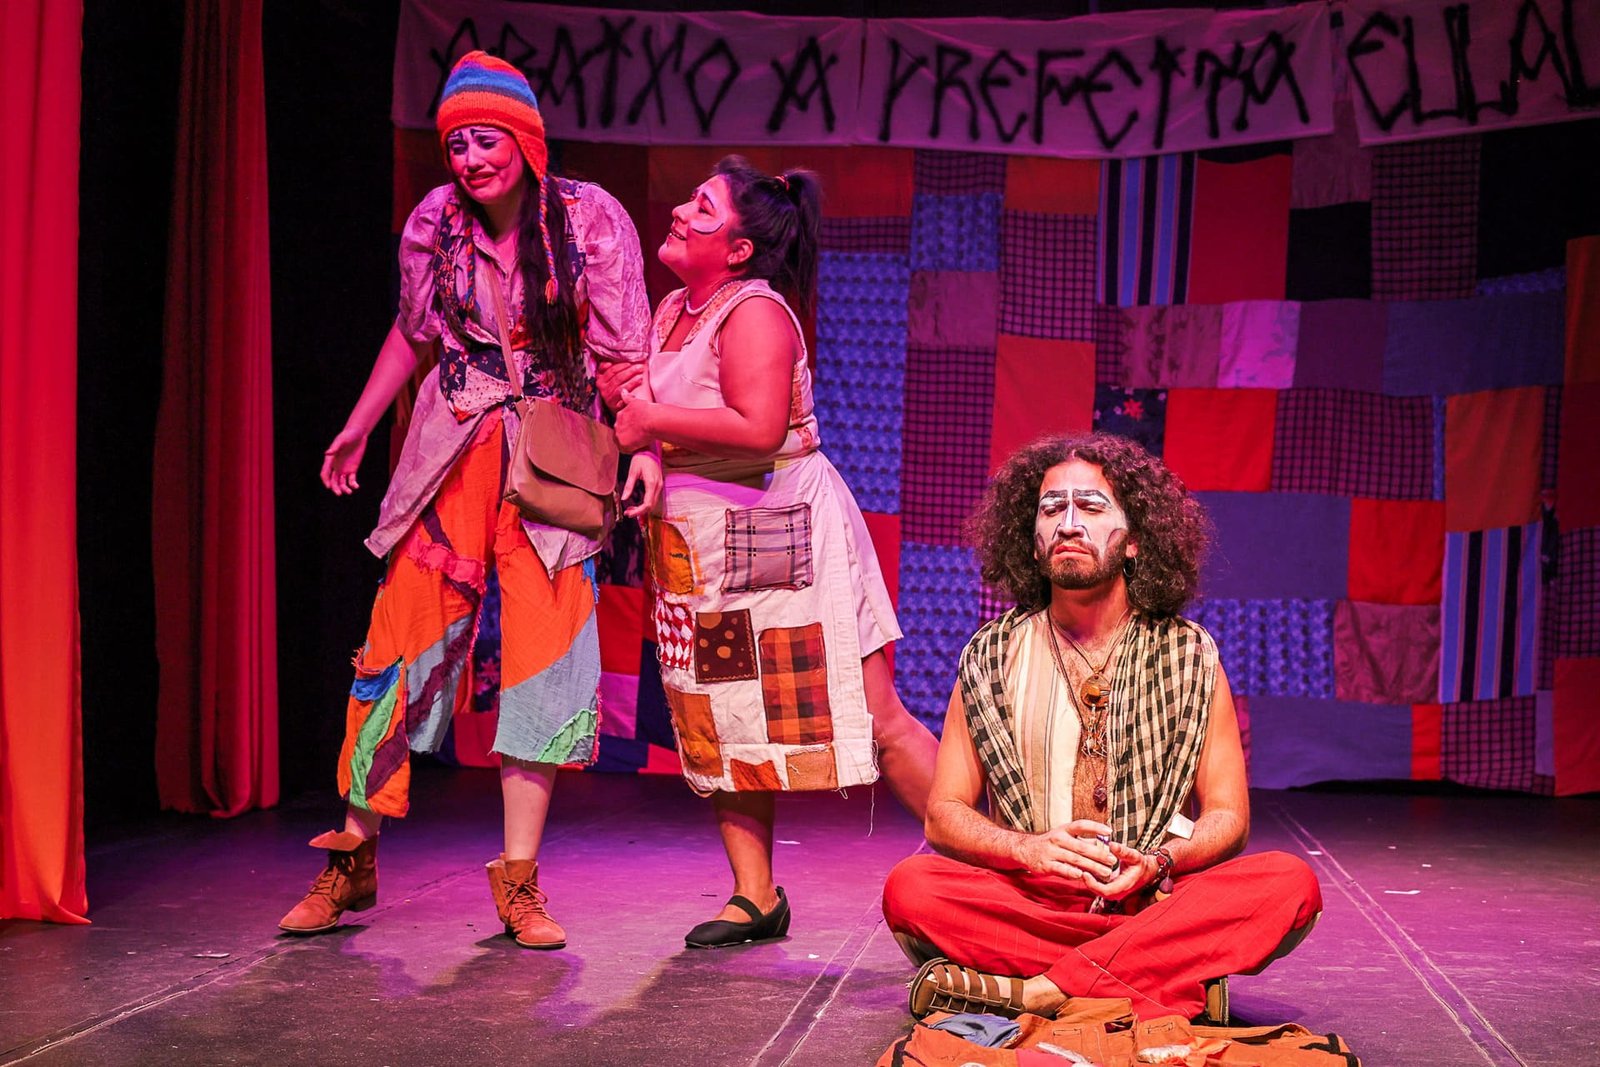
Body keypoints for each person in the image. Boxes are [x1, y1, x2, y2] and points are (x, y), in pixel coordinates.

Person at [278, 52, 657, 949]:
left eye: (487, 140)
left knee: (546, 659)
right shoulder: (435, 222)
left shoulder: (589, 218)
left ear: (525, 140)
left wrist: (646, 449)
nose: (471, 159)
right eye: (457, 144)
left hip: (553, 462)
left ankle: (520, 882)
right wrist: (359, 424)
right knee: (397, 645)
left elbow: (625, 355)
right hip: (452, 448)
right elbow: (414, 332)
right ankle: (351, 857)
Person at [600, 157, 938, 948]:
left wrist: (648, 421)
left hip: (786, 540)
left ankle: (995, 865)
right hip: (706, 551)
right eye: (691, 200)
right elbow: (664, 416)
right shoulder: (671, 309)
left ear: (740, 249)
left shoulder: (753, 310)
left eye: (704, 208)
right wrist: (642, 440)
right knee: (725, 720)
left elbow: (758, 427)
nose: (680, 212)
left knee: (877, 715)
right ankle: (756, 895)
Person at [881, 433, 1322, 1021]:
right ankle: (1157, 975)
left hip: (1150, 901)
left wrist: (1158, 862)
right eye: (1050, 510)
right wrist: (1027, 849)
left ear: (1136, 539)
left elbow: (1228, 818)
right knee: (913, 887)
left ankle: (1039, 991)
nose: (1067, 524)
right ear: (1031, 540)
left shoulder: (1190, 656)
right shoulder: (990, 656)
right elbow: (944, 815)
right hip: (1033, 900)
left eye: (1090, 507)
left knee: (1289, 884)